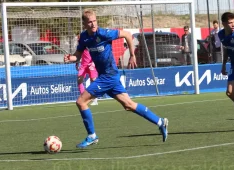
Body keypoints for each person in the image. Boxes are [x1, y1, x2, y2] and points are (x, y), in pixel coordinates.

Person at [64, 9, 168, 148]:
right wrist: (70, 58)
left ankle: (92, 136)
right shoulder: (84, 37)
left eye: (95, 21)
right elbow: (78, 55)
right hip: (108, 76)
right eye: (90, 22)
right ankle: (160, 122)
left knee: (81, 102)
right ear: (84, 23)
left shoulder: (104, 33)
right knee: (129, 105)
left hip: (109, 76)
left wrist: (132, 54)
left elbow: (127, 34)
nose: (93, 24)